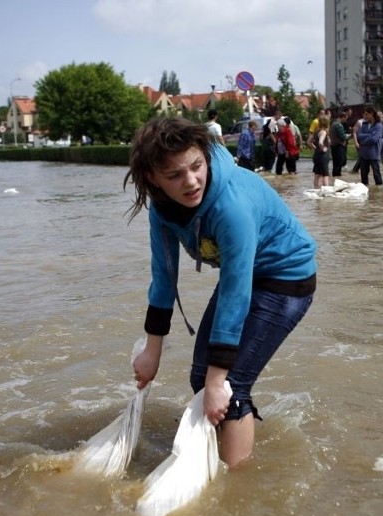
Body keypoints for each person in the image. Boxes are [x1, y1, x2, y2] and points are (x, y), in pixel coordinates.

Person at [123, 116, 317, 469]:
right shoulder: (163, 209)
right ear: (153, 178)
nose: (191, 181)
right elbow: (163, 277)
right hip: (245, 277)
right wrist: (153, 351)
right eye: (175, 175)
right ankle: (221, 451)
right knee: (202, 377)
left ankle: (236, 482)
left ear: (206, 157)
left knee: (230, 384)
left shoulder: (232, 207)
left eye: (196, 166)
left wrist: (218, 382)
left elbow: (235, 291)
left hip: (286, 279)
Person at [356, 106, 383, 186]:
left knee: (377, 175)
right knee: (363, 176)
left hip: (374, 155)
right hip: (364, 154)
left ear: (371, 114)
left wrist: (363, 140)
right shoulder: (364, 125)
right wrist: (369, 135)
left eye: (366, 114)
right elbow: (359, 136)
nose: (364, 116)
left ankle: (379, 192)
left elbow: (374, 139)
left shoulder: (378, 125)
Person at [311, 116, 331, 188]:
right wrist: (323, 149)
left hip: (316, 155)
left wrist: (314, 148)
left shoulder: (316, 132)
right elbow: (320, 142)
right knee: (325, 175)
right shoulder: (323, 132)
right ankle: (326, 191)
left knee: (317, 174)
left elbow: (309, 141)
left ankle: (316, 189)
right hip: (323, 156)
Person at [329, 110, 349, 176]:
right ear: (342, 117)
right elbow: (343, 137)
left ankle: (334, 179)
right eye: (346, 118)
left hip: (333, 146)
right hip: (339, 146)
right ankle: (337, 178)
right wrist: (348, 136)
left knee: (335, 164)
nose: (346, 120)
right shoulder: (339, 125)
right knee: (339, 164)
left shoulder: (333, 124)